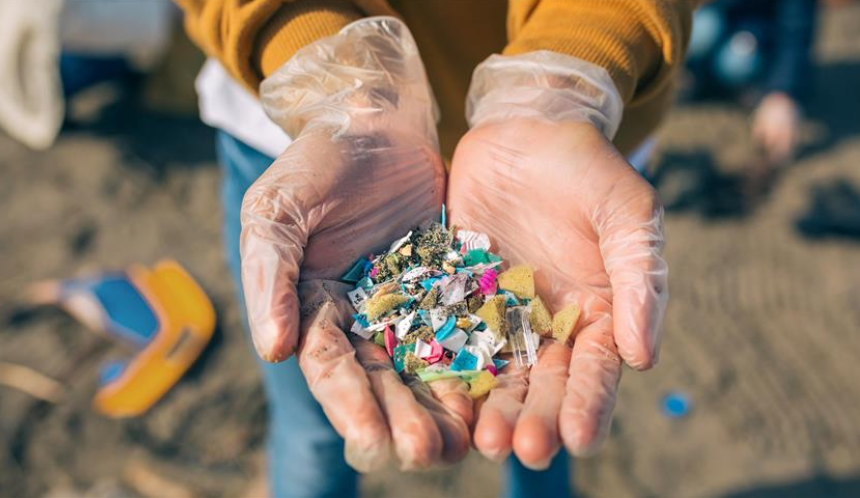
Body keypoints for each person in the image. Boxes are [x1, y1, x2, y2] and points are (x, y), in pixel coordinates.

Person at [174, 1, 698, 496]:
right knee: (313, 426)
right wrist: (327, 76)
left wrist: (565, 85)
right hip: (311, 136)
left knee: (544, 421)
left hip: (574, 152)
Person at [685, 0, 818, 165]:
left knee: (736, 62)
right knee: (701, 29)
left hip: (755, 33)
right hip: (714, 17)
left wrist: (782, 93)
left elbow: (796, 26)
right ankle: (693, 75)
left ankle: (733, 86)